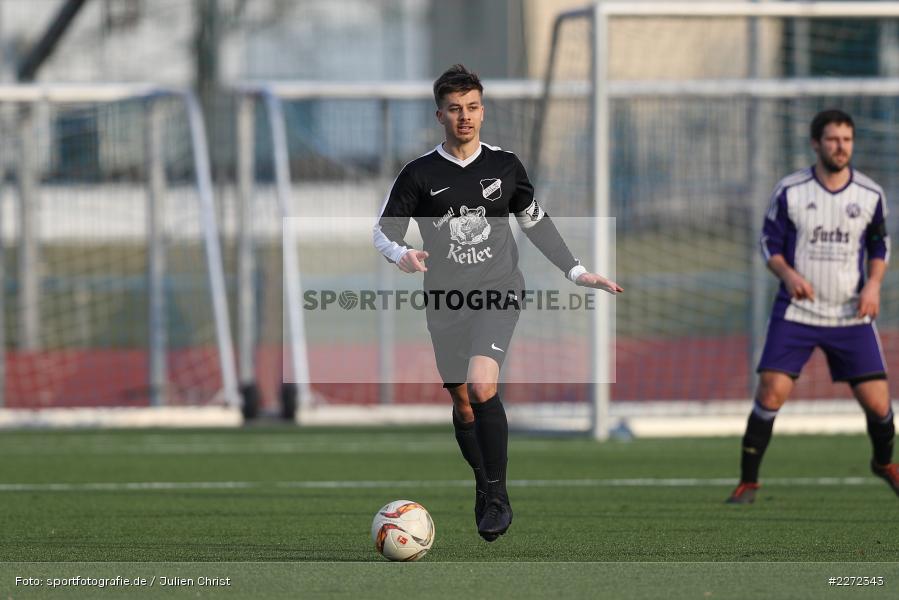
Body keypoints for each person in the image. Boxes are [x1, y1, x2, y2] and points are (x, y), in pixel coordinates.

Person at [373, 64, 622, 539]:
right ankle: (482, 483)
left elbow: (535, 221)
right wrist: (402, 254)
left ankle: (498, 496)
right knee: (463, 403)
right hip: (445, 301)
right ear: (440, 116)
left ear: (483, 111)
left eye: (472, 107)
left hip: (498, 291)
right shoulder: (419, 174)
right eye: (454, 109)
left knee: (482, 385)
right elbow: (382, 231)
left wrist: (575, 270)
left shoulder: (505, 167)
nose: (464, 116)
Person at [727, 109, 899, 504]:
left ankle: (883, 463)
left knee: (879, 405)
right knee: (771, 392)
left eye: (847, 140)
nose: (841, 147)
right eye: (833, 139)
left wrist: (873, 285)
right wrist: (788, 275)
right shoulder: (791, 191)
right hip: (798, 312)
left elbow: (879, 245)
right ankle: (748, 482)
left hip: (850, 313)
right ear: (816, 144)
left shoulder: (870, 194)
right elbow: (768, 243)